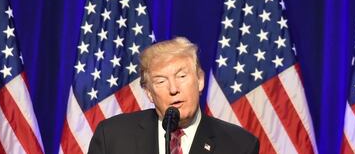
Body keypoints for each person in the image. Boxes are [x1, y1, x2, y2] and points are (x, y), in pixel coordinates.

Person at [88, 37, 259, 154]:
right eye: (161, 81)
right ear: (149, 93)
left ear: (199, 80)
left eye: (181, 76)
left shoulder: (239, 145)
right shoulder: (112, 136)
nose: (173, 89)